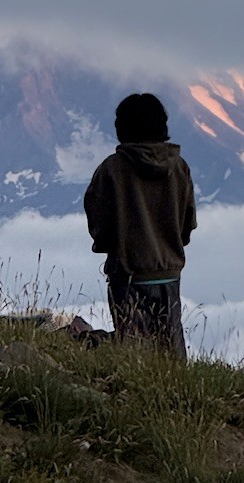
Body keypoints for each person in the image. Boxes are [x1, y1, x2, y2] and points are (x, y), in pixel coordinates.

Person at [83, 93, 196, 356]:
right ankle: (178, 394)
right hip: (169, 273)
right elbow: (187, 223)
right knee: (170, 351)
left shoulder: (111, 169)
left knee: (134, 353)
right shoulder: (179, 168)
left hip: (128, 273)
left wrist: (114, 243)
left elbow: (98, 222)